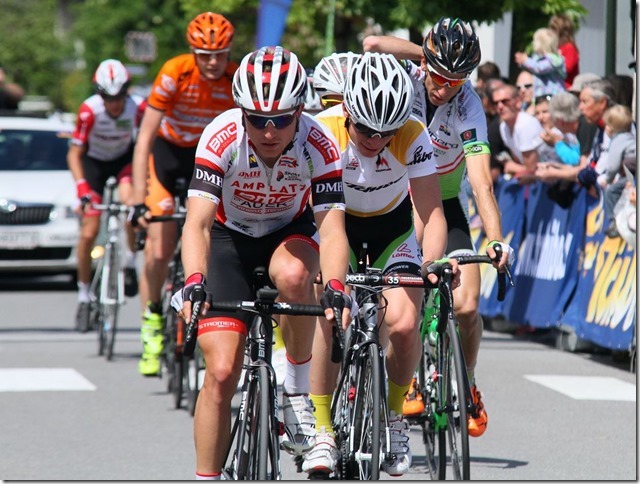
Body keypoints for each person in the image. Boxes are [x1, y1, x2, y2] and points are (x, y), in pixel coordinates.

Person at [171, 45, 350, 480]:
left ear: (300, 111)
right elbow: (196, 225)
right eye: (257, 119)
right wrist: (194, 281)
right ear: (241, 112)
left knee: (295, 274)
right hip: (227, 237)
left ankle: (296, 393)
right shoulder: (221, 136)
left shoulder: (319, 143)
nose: (269, 131)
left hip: (288, 232)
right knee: (221, 372)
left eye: (282, 120)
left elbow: (331, 231)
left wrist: (336, 288)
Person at [363, 16, 514, 439]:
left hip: (446, 203)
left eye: (456, 80)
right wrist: (427, 58)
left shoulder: (468, 106)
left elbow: (481, 183)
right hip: (401, 199)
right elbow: (372, 43)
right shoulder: (408, 79)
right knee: (399, 303)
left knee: (467, 306)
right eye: (440, 77)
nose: (444, 88)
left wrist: (496, 240)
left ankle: (468, 382)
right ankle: (405, 375)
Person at [303, 52, 453, 477]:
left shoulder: (412, 133)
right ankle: (322, 429)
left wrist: (432, 262)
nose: (375, 139)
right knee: (332, 317)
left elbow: (432, 212)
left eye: (386, 132)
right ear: (348, 111)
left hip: (392, 232)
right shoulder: (322, 131)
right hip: (336, 227)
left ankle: (394, 416)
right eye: (367, 129)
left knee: (404, 325)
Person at [129, 12, 238, 376]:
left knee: (210, 230)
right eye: (205, 55)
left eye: (219, 54)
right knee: (160, 248)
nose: (212, 62)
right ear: (193, 52)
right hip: (169, 155)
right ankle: (151, 322)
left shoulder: (234, 77)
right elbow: (145, 137)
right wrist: (138, 198)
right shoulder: (175, 72)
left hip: (208, 158)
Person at [68, 59, 146, 330]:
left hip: (123, 161)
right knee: (89, 232)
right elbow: (74, 154)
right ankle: (83, 296)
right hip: (94, 165)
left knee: (130, 205)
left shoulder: (138, 107)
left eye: (119, 97)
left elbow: (144, 145)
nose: (114, 103)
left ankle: (130, 263)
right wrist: (82, 189)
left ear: (127, 91)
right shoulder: (89, 110)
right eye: (108, 97)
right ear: (100, 94)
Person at [596, 104, 636, 237]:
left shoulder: (618, 140)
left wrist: (607, 179)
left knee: (611, 192)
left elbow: (613, 165)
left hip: (632, 173)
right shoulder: (631, 137)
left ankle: (615, 223)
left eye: (607, 125)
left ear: (610, 128)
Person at [491, 83, 544, 182]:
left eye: (505, 101)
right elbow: (521, 162)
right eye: (496, 103)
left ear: (518, 102)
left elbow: (531, 169)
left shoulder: (525, 124)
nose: (500, 106)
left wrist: (510, 166)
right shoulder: (503, 127)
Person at [514, 27, 566, 99]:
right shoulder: (537, 57)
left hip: (553, 95)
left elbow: (539, 68)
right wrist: (522, 62)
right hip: (540, 94)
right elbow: (532, 69)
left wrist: (526, 60)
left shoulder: (554, 59)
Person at [549, 14, 580, 89]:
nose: (551, 32)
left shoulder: (569, 48)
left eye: (554, 29)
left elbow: (567, 68)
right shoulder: (555, 47)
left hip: (566, 89)